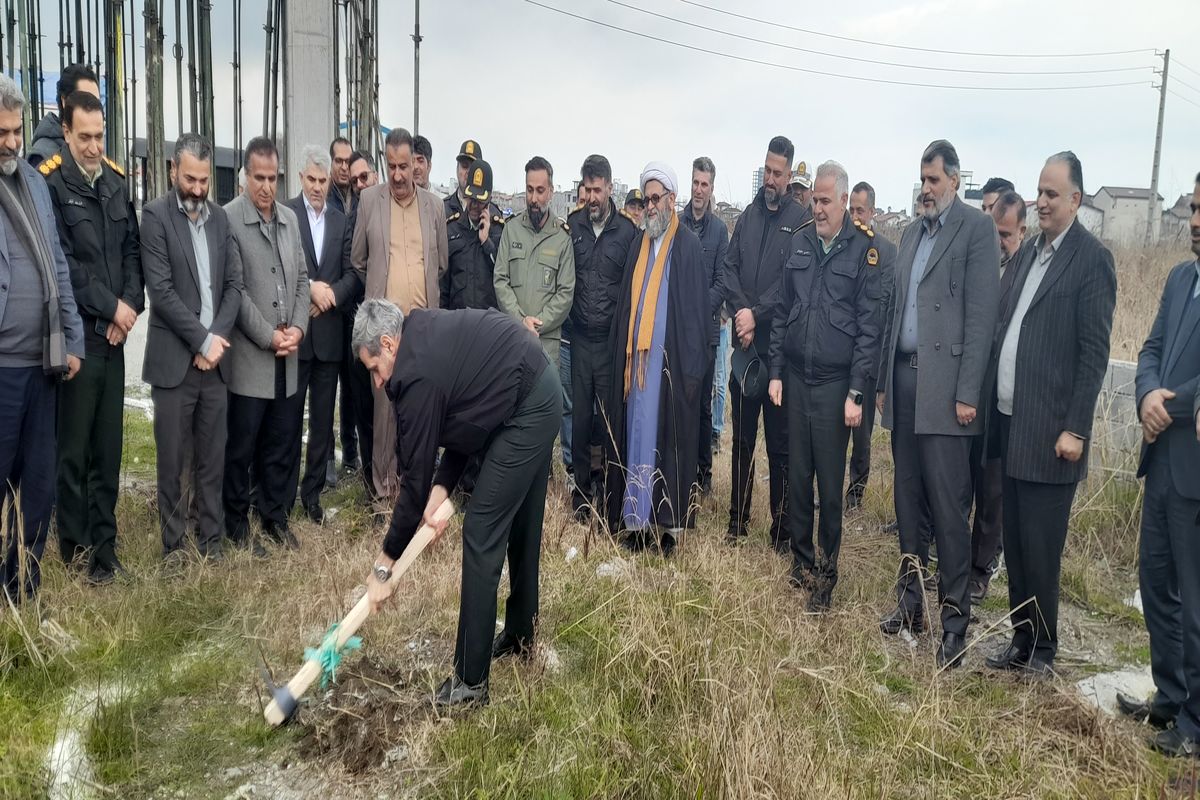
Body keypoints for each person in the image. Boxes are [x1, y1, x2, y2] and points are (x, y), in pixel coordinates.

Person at [358, 299, 560, 708]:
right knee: (519, 523)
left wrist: (384, 566)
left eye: (374, 368)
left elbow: (412, 485)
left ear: (387, 344)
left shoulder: (418, 374)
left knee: (482, 529)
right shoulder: (421, 341)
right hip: (531, 390)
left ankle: (470, 684)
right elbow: (468, 415)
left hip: (530, 405)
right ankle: (521, 635)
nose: (377, 382)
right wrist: (442, 488)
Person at [983, 152, 1115, 675]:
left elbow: (1093, 354)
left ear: (1076, 200)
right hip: (1011, 423)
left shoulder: (1090, 260)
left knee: (1040, 547)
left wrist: (1076, 427)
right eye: (1039, 192)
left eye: (1052, 194)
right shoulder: (1030, 252)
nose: (1040, 202)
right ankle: (1020, 641)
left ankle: (1043, 649)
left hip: (1052, 433)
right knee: (1014, 541)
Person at [877, 139, 999, 669]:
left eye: (933, 180)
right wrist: (883, 380)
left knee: (948, 510)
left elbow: (981, 320)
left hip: (948, 395)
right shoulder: (909, 235)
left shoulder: (975, 231)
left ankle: (955, 622)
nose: (925, 189)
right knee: (907, 501)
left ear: (954, 180)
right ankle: (910, 606)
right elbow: (894, 313)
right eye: (921, 180)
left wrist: (968, 391)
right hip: (904, 385)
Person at [768, 162, 880, 611]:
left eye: (825, 201)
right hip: (796, 379)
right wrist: (775, 372)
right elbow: (781, 312)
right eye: (814, 199)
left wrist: (856, 393)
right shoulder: (799, 243)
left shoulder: (861, 250)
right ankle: (801, 562)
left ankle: (826, 575)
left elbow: (869, 330)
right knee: (798, 477)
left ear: (843, 203)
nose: (817, 208)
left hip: (836, 387)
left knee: (830, 486)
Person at [43, 90, 142, 585]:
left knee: (109, 448)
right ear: (66, 132)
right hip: (81, 338)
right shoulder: (52, 187)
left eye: (100, 136)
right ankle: (75, 550)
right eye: (84, 137)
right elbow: (67, 267)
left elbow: (131, 252)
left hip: (114, 339)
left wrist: (127, 310)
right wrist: (111, 308)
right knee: (74, 450)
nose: (93, 146)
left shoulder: (116, 183)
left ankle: (106, 547)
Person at [1121, 172, 1200, 757]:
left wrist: (1171, 404)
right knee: (1157, 583)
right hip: (1162, 458)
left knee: (1196, 598)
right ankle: (1170, 697)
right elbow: (1150, 348)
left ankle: (1196, 724)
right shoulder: (1180, 279)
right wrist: (1146, 392)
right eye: (1194, 209)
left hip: (1193, 460)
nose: (1195, 222)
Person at [0, 74, 84, 601]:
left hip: (44, 363)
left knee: (37, 483)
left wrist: (72, 338)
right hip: (2, 367)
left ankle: (23, 579)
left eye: (15, 130)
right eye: (1, 132)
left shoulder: (33, 183)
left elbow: (56, 264)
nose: (11, 142)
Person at [141, 133, 242, 564]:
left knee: (212, 458)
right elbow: (161, 292)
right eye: (190, 179)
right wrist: (201, 340)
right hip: (175, 365)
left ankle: (212, 542)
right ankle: (174, 549)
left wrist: (215, 340)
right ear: (172, 171)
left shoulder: (220, 220)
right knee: (172, 460)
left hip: (214, 365)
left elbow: (234, 286)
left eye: (203, 180)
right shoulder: (155, 217)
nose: (198, 189)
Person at [604, 162, 708, 556]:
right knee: (636, 442)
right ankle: (635, 523)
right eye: (645, 199)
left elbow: (697, 316)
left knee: (667, 444)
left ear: (671, 200)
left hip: (670, 372)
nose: (648, 206)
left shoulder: (688, 247)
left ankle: (666, 528)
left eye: (655, 199)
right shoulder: (639, 244)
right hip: (637, 371)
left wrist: (691, 372)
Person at [722, 135, 811, 549]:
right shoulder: (748, 216)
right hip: (745, 350)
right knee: (741, 441)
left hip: (777, 353)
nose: (770, 180)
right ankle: (737, 523)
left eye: (778, 173)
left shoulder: (801, 221)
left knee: (778, 446)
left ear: (789, 174)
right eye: (767, 171)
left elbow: (791, 285)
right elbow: (729, 267)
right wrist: (743, 315)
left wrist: (756, 316)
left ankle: (781, 529)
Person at [221, 137, 309, 553]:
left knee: (281, 442)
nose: (266, 187)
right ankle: (237, 526)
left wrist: (299, 329)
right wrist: (268, 335)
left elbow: (304, 281)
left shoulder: (290, 221)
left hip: (288, 358)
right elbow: (234, 291)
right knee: (242, 448)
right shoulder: (230, 221)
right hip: (250, 360)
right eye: (258, 178)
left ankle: (274, 517)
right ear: (244, 177)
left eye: (273, 178)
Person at [351, 127, 448, 503]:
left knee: (421, 410)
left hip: (423, 329)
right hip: (384, 330)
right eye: (390, 166)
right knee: (385, 411)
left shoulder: (434, 207)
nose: (397, 175)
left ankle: (415, 486)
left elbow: (440, 264)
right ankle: (383, 490)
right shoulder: (369, 202)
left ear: (415, 164)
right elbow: (358, 259)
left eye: (403, 166)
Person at [285, 145, 358, 524]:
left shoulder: (342, 221)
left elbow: (352, 275)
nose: (316, 187)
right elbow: (281, 271)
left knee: (321, 426)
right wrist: (310, 288)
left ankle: (311, 496)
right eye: (310, 179)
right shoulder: (286, 216)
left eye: (322, 180)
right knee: (289, 418)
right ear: (301, 178)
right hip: (296, 337)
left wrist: (329, 297)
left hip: (328, 337)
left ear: (330, 181)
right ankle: (281, 496)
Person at [565, 154, 638, 520]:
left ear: (610, 187)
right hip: (579, 339)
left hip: (610, 344)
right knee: (580, 419)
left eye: (598, 189)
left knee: (610, 419)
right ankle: (581, 491)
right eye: (587, 189)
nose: (592, 197)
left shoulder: (626, 232)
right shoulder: (573, 225)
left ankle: (610, 488)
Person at [969, 189, 1025, 603]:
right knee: (966, 483)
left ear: (1022, 231)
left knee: (992, 492)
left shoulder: (1026, 273)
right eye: (995, 232)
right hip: (975, 395)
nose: (999, 241)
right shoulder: (983, 264)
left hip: (1006, 403)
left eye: (1005, 234)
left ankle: (981, 568)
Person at [844, 181, 897, 510]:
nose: (854, 216)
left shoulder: (887, 252)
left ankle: (856, 494)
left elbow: (886, 309)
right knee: (835, 431)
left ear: (872, 212)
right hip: (840, 355)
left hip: (867, 359)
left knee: (861, 434)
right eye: (851, 209)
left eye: (860, 210)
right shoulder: (842, 243)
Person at [678, 156, 729, 499]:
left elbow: (722, 281)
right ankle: (678, 468)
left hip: (705, 332)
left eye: (705, 184)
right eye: (695, 183)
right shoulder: (675, 223)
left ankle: (703, 473)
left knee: (702, 406)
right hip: (677, 331)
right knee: (677, 400)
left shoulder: (719, 231)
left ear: (712, 188)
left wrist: (696, 310)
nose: (699, 190)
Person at [494, 156, 575, 366]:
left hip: (545, 344)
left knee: (545, 398)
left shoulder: (562, 238)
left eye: (540, 190)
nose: (533, 198)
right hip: (513, 337)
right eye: (530, 190)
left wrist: (536, 325)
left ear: (550, 192)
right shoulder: (511, 230)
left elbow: (565, 293)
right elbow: (501, 280)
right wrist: (521, 321)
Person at [441, 158, 504, 310]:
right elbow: (443, 287)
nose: (474, 205)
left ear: (489, 198)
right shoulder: (451, 229)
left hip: (488, 323)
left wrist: (486, 242)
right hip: (458, 321)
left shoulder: (500, 231)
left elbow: (503, 276)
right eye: (472, 199)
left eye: (480, 201)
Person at [28, 63, 99, 167]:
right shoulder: (43, 156)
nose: (93, 109)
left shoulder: (94, 150)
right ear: (64, 101)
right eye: (85, 101)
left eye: (96, 103)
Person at [445, 139, 483, 218]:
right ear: (457, 169)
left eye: (473, 168)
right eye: (464, 166)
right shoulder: (442, 209)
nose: (468, 172)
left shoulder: (491, 214)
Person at [327, 136, 355, 216]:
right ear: (331, 163)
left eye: (348, 161)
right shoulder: (323, 195)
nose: (344, 167)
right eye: (339, 161)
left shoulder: (360, 193)